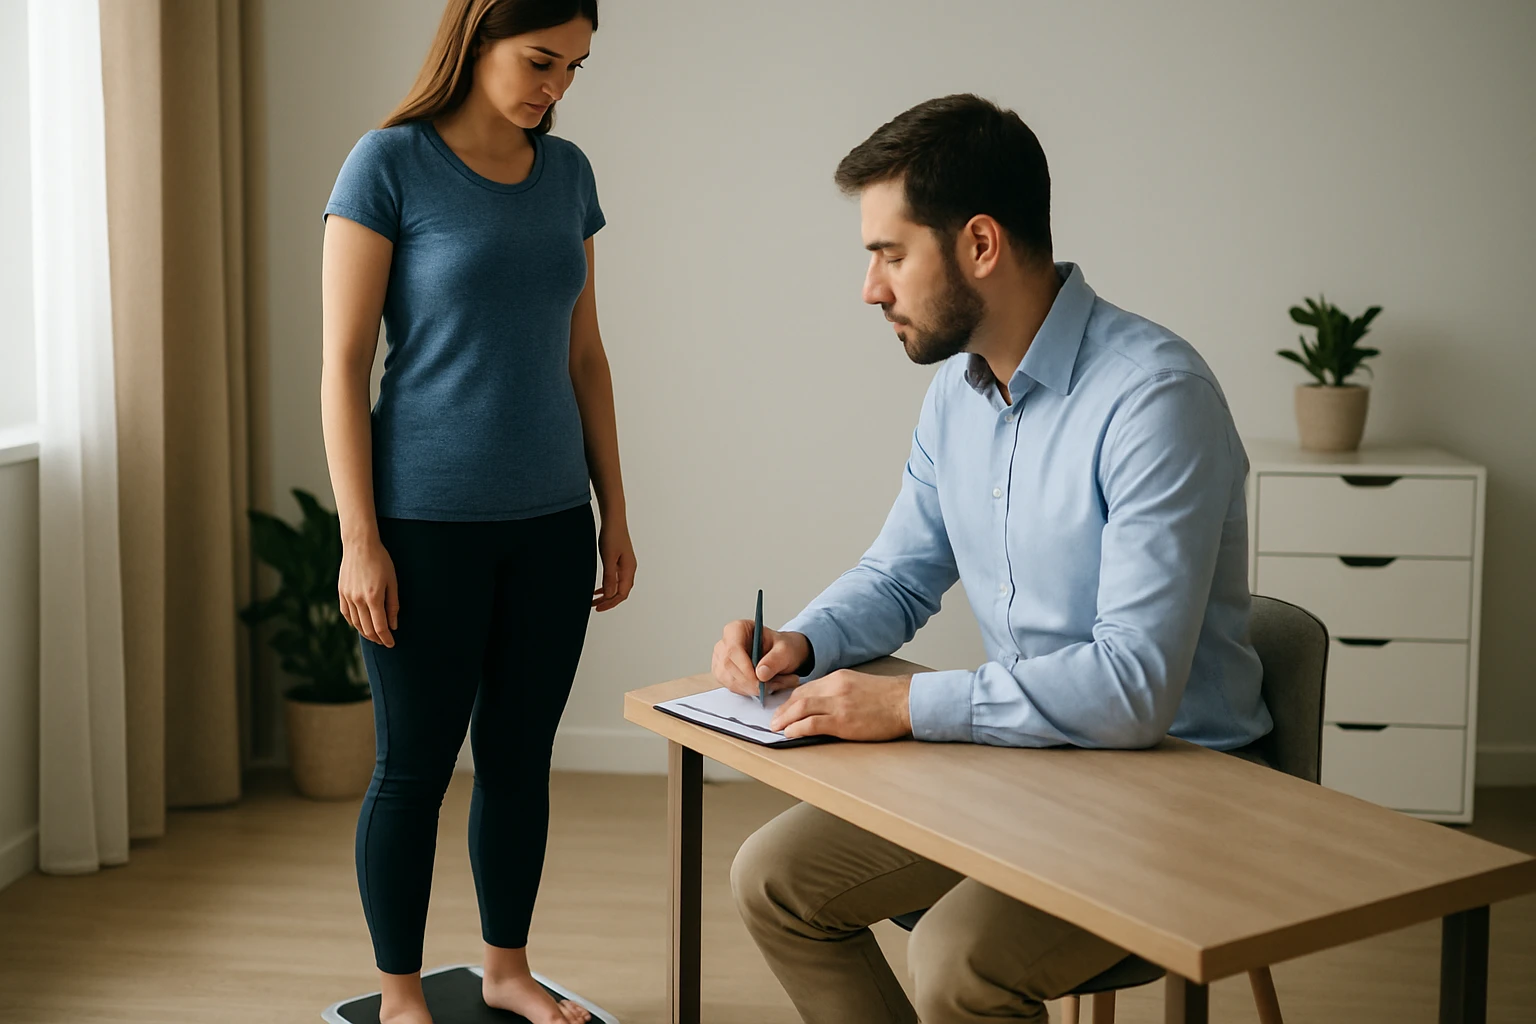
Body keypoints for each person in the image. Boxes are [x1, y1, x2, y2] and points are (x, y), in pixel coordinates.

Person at [712, 94, 1272, 1024]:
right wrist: (803, 642)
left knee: (957, 960)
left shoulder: (1154, 399)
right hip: (1035, 763)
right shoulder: (958, 395)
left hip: (1182, 787)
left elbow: (1134, 689)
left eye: (890, 254)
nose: (870, 288)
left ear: (979, 245)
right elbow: (899, 574)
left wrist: (902, 704)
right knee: (773, 879)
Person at [319, 1, 629, 1022]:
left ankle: (506, 969)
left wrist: (613, 511)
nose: (556, 88)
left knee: (516, 760)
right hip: (423, 528)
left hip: (548, 526)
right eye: (542, 60)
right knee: (412, 767)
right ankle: (402, 991)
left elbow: (584, 355)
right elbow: (343, 365)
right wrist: (360, 539)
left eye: (575, 69)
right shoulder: (388, 163)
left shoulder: (569, 175)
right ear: (478, 36)